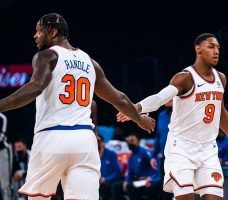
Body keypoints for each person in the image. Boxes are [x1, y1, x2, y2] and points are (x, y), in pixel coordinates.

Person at [0, 13, 155, 200]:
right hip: (84, 141)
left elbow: (35, 87)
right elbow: (119, 99)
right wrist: (141, 120)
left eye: (38, 32)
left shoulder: (46, 56)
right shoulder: (90, 62)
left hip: (52, 137)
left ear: (52, 31)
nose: (35, 36)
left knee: (38, 197)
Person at [117, 33, 228, 200]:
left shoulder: (221, 78)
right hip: (181, 149)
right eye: (211, 46)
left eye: (218, 47)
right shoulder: (185, 78)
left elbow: (220, 110)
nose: (216, 51)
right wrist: (136, 108)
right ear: (198, 49)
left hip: (208, 149)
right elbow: (160, 98)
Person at [112, 132, 161, 200]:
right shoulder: (131, 157)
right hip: (139, 181)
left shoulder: (145, 152)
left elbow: (156, 168)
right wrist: (126, 180)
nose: (130, 144)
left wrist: (151, 179)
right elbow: (130, 173)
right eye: (128, 142)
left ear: (138, 141)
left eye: (132, 141)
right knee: (116, 186)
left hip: (148, 180)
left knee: (131, 186)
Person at [150, 100, 172, 200]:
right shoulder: (161, 115)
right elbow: (158, 137)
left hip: (181, 157)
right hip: (165, 158)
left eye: (170, 98)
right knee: (165, 188)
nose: (167, 100)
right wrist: (154, 156)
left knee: (182, 187)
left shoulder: (184, 113)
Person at [97, 135, 122, 200]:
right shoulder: (92, 155)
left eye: (99, 141)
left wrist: (106, 179)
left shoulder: (112, 154)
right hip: (96, 182)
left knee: (107, 187)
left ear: (102, 142)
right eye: (95, 141)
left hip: (109, 181)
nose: (97, 143)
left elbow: (118, 172)